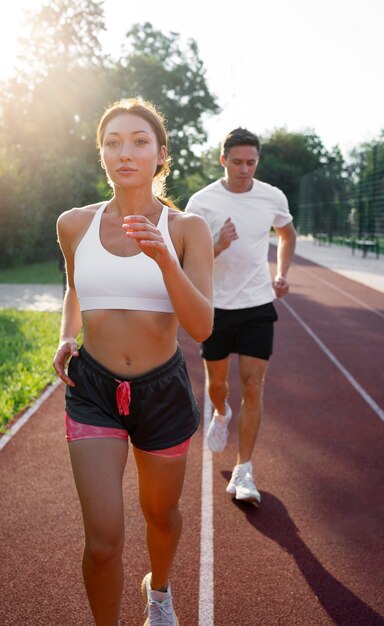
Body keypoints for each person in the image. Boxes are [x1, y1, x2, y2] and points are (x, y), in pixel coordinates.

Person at [53, 97, 213, 626]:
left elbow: (202, 326)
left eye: (140, 142)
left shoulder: (188, 229)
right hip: (93, 388)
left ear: (161, 155)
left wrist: (165, 258)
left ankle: (160, 592)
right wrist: (65, 335)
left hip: (161, 391)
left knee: (161, 517)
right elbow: (75, 289)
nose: (126, 152)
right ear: (101, 154)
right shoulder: (74, 224)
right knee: (102, 543)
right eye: (114, 142)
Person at [185, 127, 296, 507]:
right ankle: (220, 411)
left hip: (257, 304)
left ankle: (244, 470)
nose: (245, 169)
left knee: (253, 385)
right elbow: (189, 263)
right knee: (219, 384)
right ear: (223, 160)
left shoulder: (272, 197)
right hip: (214, 307)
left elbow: (287, 233)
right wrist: (218, 243)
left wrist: (282, 272)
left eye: (251, 162)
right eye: (237, 162)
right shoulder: (202, 203)